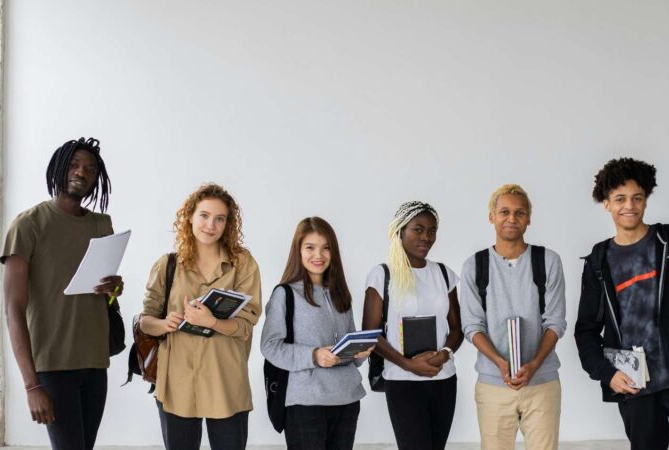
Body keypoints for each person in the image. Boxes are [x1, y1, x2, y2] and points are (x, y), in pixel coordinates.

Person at [575, 157, 669, 450]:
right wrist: (607, 375)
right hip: (636, 388)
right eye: (619, 199)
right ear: (606, 203)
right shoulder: (599, 261)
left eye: (637, 198)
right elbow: (586, 330)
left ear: (646, 200)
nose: (628, 205)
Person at [1, 137, 124, 450]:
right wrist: (31, 385)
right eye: (74, 164)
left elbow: (107, 297)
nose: (82, 172)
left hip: (95, 362)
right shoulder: (29, 224)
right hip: (53, 366)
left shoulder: (102, 224)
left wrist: (114, 290)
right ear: (58, 167)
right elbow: (13, 309)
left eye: (90, 169)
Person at [139, 183, 261, 450]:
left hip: (225, 380)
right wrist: (163, 323)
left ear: (228, 224)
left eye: (220, 218)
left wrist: (212, 322)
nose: (211, 225)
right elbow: (145, 319)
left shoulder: (243, 264)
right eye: (204, 215)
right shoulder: (167, 264)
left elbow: (247, 325)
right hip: (177, 383)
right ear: (190, 216)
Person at [459, 184, 566, 450]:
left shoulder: (548, 261)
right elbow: (472, 325)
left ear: (529, 218)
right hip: (493, 385)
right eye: (504, 211)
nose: (511, 218)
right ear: (491, 216)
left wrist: (535, 364)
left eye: (520, 213)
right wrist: (499, 363)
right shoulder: (475, 265)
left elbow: (555, 321)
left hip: (542, 383)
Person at [261, 217, 373, 450]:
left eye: (326, 248)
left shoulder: (340, 293)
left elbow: (348, 347)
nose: (318, 255)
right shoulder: (285, 294)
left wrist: (361, 353)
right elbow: (270, 346)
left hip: (347, 400)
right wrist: (313, 355)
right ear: (298, 251)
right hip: (305, 403)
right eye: (310, 247)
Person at [361, 201, 463, 450]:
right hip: (402, 381)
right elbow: (369, 334)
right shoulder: (382, 274)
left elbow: (457, 328)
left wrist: (445, 354)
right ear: (400, 231)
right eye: (418, 229)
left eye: (432, 230)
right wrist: (408, 364)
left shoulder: (444, 273)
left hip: (443, 378)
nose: (426, 237)